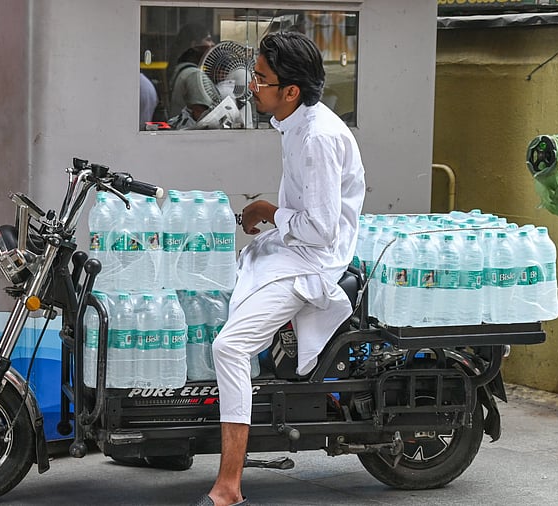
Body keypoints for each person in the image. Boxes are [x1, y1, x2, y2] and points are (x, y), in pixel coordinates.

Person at [193, 32, 365, 506]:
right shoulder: (295, 123)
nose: (252, 87)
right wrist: (270, 218)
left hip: (313, 260)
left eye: (262, 79)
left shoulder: (317, 138)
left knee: (229, 347)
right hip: (291, 246)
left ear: (291, 91)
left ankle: (228, 485)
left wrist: (268, 211)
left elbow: (322, 231)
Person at [166, 23, 218, 128]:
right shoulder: (194, 75)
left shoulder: (180, 69)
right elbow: (202, 115)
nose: (212, 44)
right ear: (195, 45)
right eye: (208, 40)